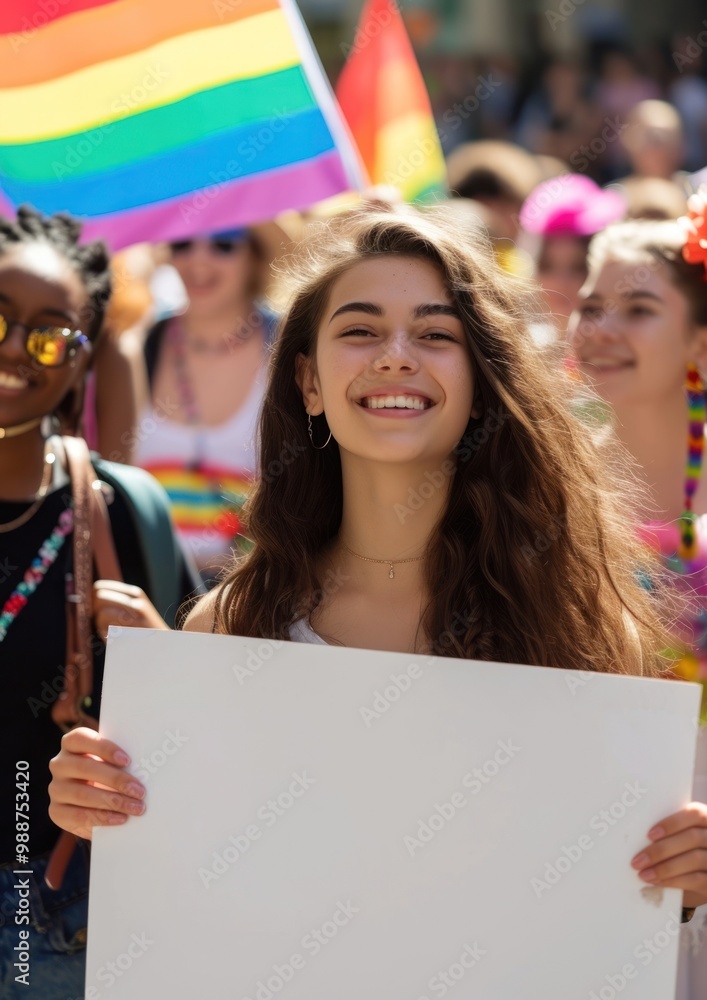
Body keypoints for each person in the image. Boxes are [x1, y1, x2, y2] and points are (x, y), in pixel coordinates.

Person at [49, 208, 707, 950]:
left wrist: (673, 874)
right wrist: (106, 803)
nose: (396, 357)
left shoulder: (580, 629)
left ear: (481, 381)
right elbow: (200, 889)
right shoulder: (233, 621)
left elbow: (595, 904)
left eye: (434, 334)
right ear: (307, 381)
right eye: (360, 330)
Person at [0, 206, 201, 998]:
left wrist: (163, 657)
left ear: (83, 362)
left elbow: (213, 729)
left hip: (55, 923)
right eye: (2, 320)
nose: (17, 350)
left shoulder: (122, 514)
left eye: (51, 335)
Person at [567, 198, 707, 994]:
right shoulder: (537, 492)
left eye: (638, 308)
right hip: (582, 846)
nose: (600, 329)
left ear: (697, 338)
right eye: (590, 306)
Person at [136, 228, 279, 582]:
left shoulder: (291, 347)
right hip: (143, 588)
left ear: (255, 258)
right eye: (182, 241)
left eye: (224, 243)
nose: (198, 259)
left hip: (251, 595)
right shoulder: (137, 343)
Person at [519, 173, 626, 337]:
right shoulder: (526, 350)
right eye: (547, 266)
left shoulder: (624, 349)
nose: (561, 283)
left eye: (578, 267)